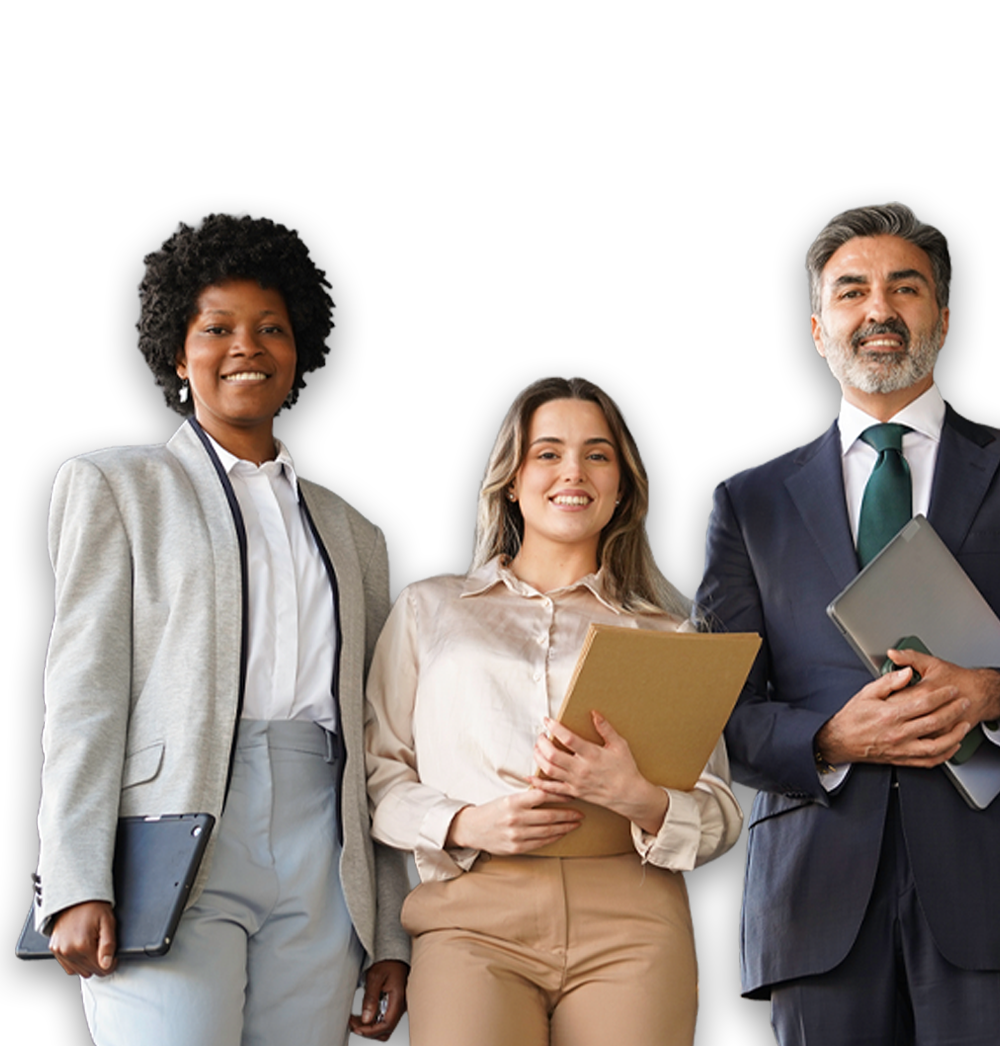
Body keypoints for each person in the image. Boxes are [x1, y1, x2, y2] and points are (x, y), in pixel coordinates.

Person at [693, 202, 1000, 1044]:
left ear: (943, 316)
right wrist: (829, 739)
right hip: (814, 892)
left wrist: (993, 695)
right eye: (852, 290)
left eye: (906, 287)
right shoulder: (747, 503)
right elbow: (717, 714)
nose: (879, 309)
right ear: (818, 327)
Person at [35, 212, 410, 1044]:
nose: (248, 345)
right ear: (178, 351)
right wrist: (71, 876)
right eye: (219, 328)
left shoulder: (354, 533)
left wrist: (389, 930)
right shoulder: (114, 486)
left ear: (298, 351)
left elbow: (383, 738)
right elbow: (84, 696)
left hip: (324, 850)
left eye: (271, 328)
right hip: (167, 845)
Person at [364, 375, 743, 1046]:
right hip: (471, 915)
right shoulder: (430, 608)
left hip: (634, 917)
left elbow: (719, 811)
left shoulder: (672, 631)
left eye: (598, 454)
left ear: (622, 484)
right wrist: (465, 820)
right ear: (512, 479)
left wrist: (640, 798)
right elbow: (378, 777)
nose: (574, 471)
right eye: (548, 452)